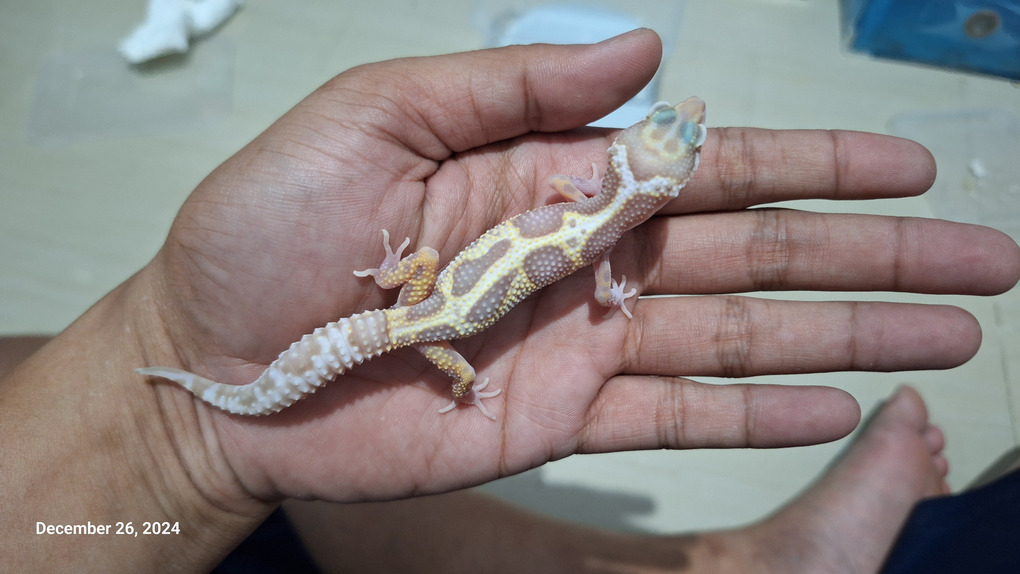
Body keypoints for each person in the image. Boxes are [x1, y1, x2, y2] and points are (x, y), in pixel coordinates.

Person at [2, 29, 1018, 573]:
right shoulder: (609, 227)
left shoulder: (595, 203)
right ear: (649, 177)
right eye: (679, 127)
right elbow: (606, 280)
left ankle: (213, 393)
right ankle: (215, 394)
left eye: (684, 131)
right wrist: (487, 370)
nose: (689, 119)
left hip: (428, 305)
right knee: (423, 362)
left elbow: (590, 233)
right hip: (433, 330)